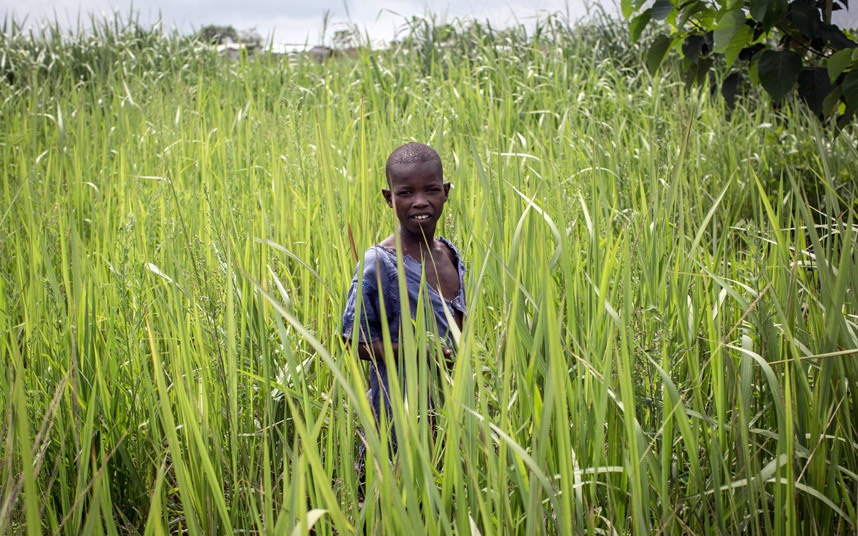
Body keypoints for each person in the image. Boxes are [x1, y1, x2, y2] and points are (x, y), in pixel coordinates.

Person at [340, 141, 466, 484]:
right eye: (406, 192)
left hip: (453, 414)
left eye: (432, 189)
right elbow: (355, 343)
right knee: (396, 501)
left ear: (446, 192)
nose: (420, 201)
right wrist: (418, 352)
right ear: (388, 197)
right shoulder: (379, 263)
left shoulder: (451, 255)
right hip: (397, 421)